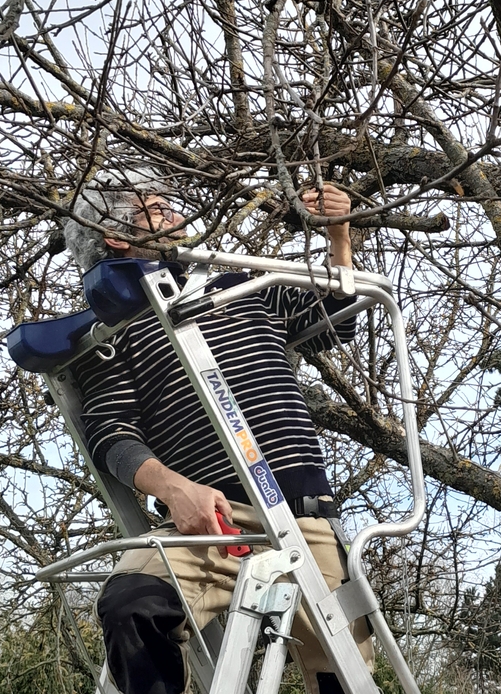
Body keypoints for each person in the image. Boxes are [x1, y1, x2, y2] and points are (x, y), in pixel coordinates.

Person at [64, 171, 372, 694]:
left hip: (303, 515)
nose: (172, 214)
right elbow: (111, 433)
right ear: (116, 235)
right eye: (154, 209)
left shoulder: (236, 281)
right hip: (210, 522)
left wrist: (338, 237)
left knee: (342, 678)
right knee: (132, 603)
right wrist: (174, 490)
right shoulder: (109, 332)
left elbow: (337, 319)